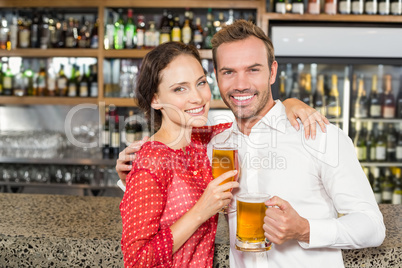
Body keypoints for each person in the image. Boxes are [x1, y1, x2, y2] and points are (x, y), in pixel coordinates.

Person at [207, 20, 385, 267]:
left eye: (253, 69)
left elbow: (373, 227)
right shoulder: (218, 146)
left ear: (272, 72)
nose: (240, 84)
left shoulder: (320, 135)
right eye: (229, 72)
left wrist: (304, 229)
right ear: (216, 76)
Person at [120, 42, 241, 267]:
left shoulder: (200, 139)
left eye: (201, 83)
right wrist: (200, 212)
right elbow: (136, 260)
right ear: (155, 99)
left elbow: (250, 125)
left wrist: (290, 106)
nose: (197, 97)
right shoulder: (151, 161)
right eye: (180, 89)